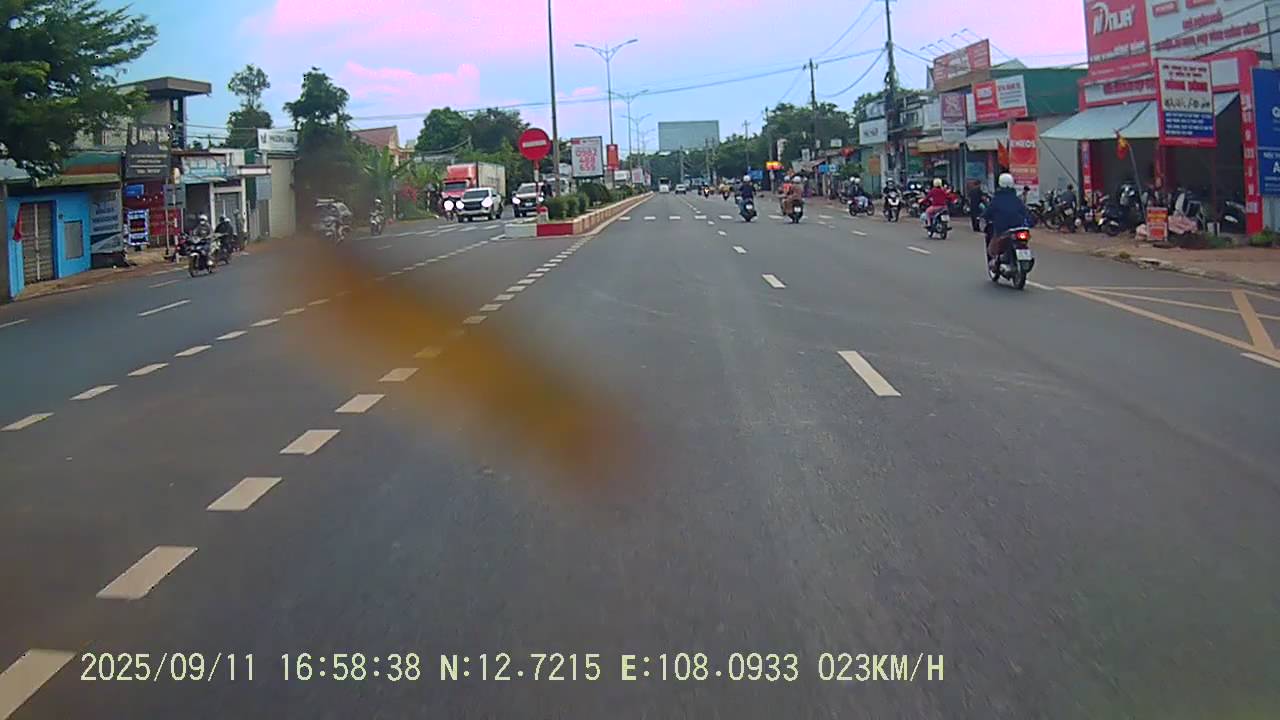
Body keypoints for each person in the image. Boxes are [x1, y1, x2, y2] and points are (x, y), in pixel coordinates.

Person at [983, 172, 1031, 269]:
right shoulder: (1016, 199)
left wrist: (983, 217)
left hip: (1003, 229)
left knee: (994, 241)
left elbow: (988, 213)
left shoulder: (997, 199)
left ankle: (995, 259)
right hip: (1018, 227)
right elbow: (1025, 212)